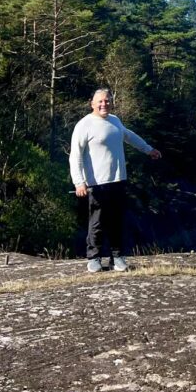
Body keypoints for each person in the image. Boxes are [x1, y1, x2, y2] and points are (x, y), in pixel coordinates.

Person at [69, 88, 161, 273]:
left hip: (118, 180)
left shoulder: (115, 120)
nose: (104, 104)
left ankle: (117, 257)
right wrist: (79, 182)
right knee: (97, 222)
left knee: (117, 221)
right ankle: (94, 258)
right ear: (92, 103)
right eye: (100, 101)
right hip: (96, 183)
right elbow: (75, 155)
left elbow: (129, 136)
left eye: (107, 100)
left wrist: (148, 149)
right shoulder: (84, 125)